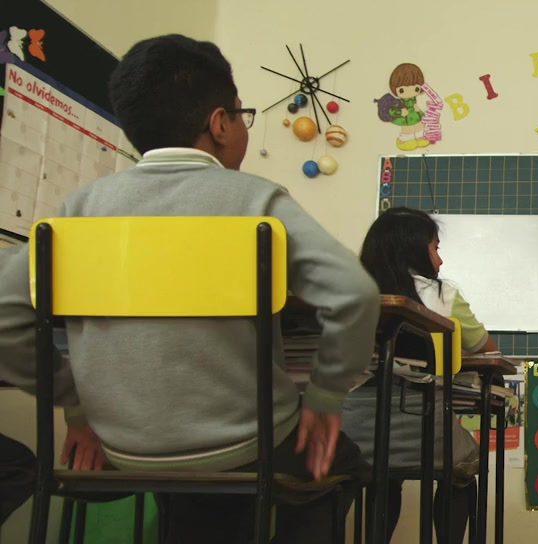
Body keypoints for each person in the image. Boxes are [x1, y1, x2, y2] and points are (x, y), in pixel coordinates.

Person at [0, 34, 381, 543]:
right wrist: (326, 396)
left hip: (123, 446)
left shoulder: (80, 209)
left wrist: (76, 401)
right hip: (249, 444)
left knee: (196, 495)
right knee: (341, 463)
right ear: (220, 124)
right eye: (243, 115)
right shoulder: (255, 201)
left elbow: (4, 312)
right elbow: (355, 293)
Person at [342, 207, 491, 544]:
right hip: (423, 425)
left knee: (383, 475)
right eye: (435, 248)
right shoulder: (442, 295)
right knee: (463, 469)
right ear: (413, 249)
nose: (440, 260)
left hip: (352, 432)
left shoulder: (346, 292)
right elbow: (485, 348)